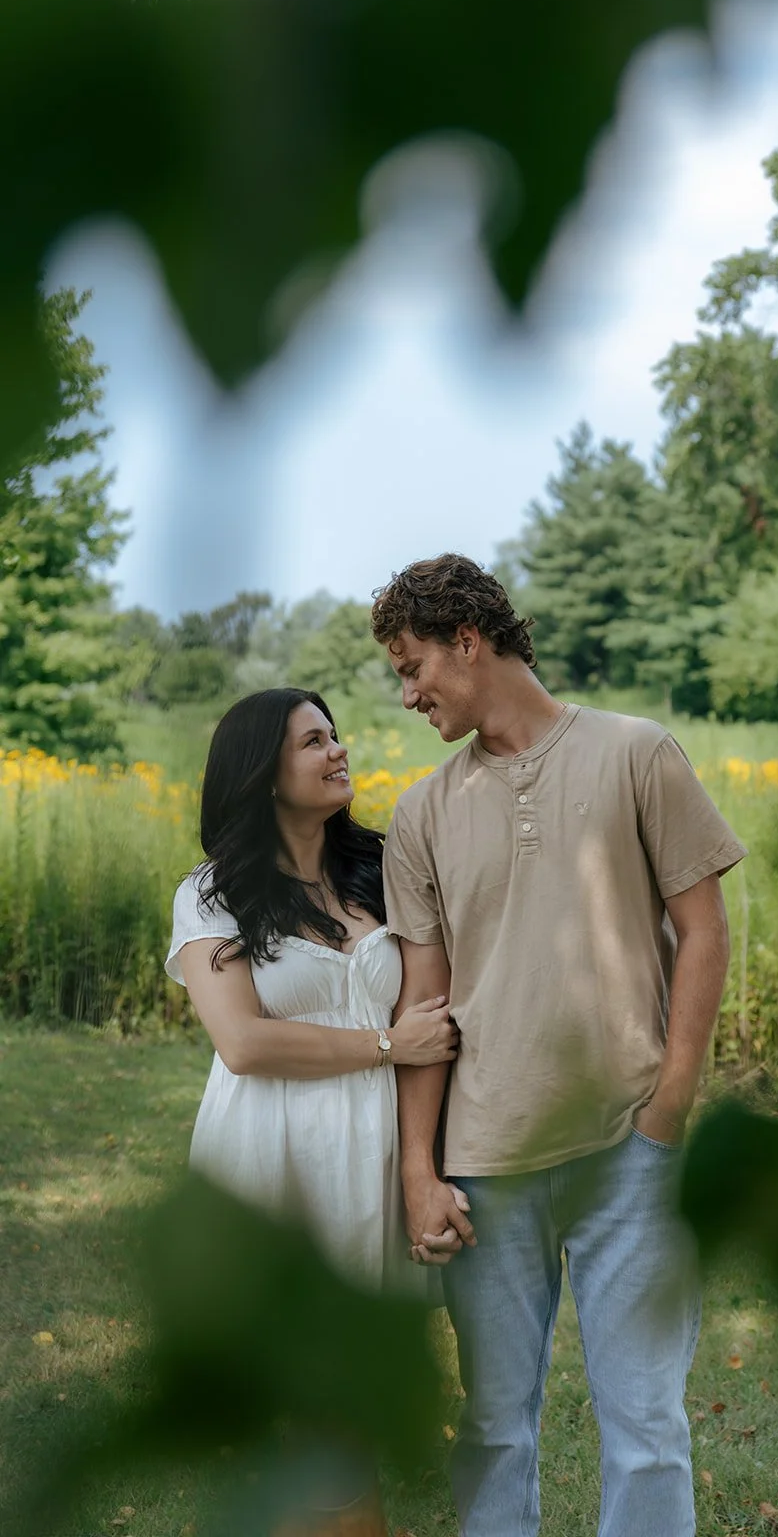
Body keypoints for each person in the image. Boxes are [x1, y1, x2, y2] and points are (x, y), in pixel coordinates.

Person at [371, 554, 746, 1537]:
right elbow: (424, 1001)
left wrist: (667, 1105)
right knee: (493, 1429)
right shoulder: (420, 813)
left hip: (630, 1147)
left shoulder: (635, 751)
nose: (408, 694)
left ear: (468, 638)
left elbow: (702, 930)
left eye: (414, 668)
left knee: (646, 1427)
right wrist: (419, 1168)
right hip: (485, 1161)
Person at [165, 686, 460, 1537]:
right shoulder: (213, 894)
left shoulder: (380, 865)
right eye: (312, 742)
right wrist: (385, 1047)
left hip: (375, 1148)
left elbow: (431, 996)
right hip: (274, 1149)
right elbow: (245, 1044)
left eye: (334, 736)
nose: (338, 751)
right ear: (261, 772)